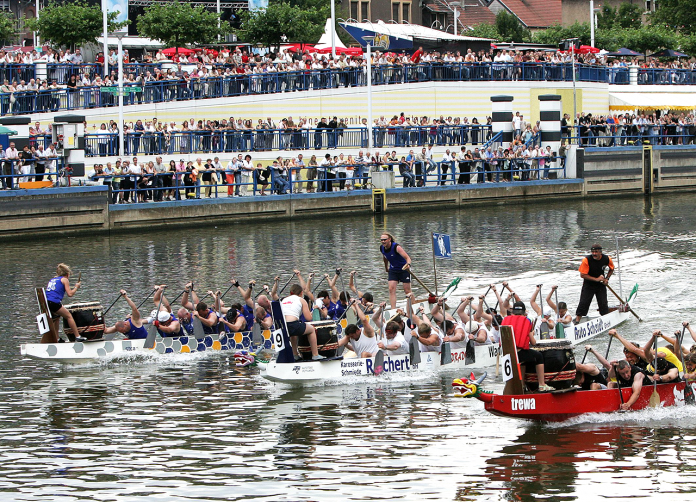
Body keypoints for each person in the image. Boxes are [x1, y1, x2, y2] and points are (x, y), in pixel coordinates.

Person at [501, 300, 554, 392]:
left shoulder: (505, 319)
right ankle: (542, 384)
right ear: (524, 312)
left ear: (513, 311)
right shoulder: (527, 321)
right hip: (519, 353)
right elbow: (533, 343)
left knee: (524, 361)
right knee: (539, 356)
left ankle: (521, 385)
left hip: (507, 354)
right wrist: (532, 334)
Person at [280, 284, 325, 361]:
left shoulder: (284, 300)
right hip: (293, 325)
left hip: (282, 326)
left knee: (293, 335)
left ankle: (295, 355)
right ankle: (315, 355)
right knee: (311, 330)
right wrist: (311, 313)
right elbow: (308, 318)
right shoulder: (301, 300)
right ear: (301, 293)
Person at [575, 243, 614, 323]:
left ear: (600, 252)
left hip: (601, 285)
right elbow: (582, 275)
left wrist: (607, 278)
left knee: (603, 304)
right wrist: (596, 279)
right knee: (584, 303)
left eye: (596, 252)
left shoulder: (607, 259)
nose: (594, 254)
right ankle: (577, 321)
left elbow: (611, 269)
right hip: (589, 285)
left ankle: (606, 320)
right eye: (593, 252)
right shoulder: (586, 260)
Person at [45, 263, 81, 341]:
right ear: (67, 274)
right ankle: (78, 336)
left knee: (57, 317)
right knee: (69, 316)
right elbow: (70, 294)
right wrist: (76, 287)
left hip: (46, 302)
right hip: (54, 302)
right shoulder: (65, 279)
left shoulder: (52, 279)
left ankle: (57, 338)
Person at [380, 232, 412, 309]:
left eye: (385, 240)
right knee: (391, 289)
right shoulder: (382, 248)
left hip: (404, 269)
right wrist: (386, 267)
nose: (383, 241)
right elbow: (385, 257)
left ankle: (411, 306)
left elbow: (408, 258)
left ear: (389, 239)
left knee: (407, 291)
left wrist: (408, 264)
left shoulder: (396, 247)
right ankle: (393, 310)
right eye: (381, 240)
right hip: (393, 270)